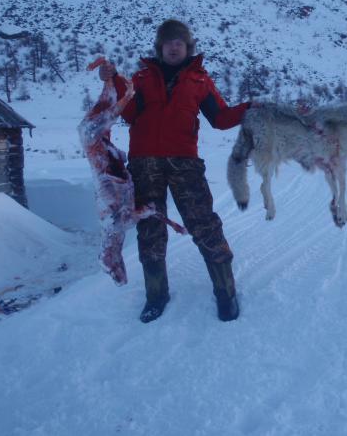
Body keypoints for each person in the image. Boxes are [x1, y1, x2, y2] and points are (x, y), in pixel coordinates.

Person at [99, 19, 251, 324]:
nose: (174, 46)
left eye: (180, 41)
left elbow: (220, 118)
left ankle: (226, 292)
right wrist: (113, 78)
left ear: (187, 47)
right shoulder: (141, 79)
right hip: (144, 164)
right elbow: (128, 112)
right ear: (160, 46)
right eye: (168, 41)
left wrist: (251, 108)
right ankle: (156, 295)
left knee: (205, 225)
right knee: (150, 230)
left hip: (185, 163)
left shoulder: (200, 81)